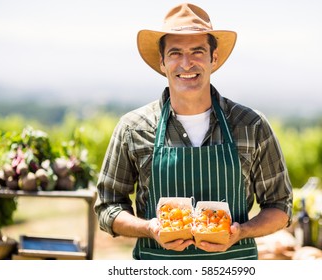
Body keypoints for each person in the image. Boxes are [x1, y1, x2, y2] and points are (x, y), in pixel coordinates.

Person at [94, 3, 293, 260]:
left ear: (214, 58)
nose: (186, 64)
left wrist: (241, 231)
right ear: (162, 62)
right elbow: (108, 206)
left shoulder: (252, 125)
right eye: (175, 53)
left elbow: (280, 206)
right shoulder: (133, 128)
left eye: (197, 51)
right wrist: (150, 228)